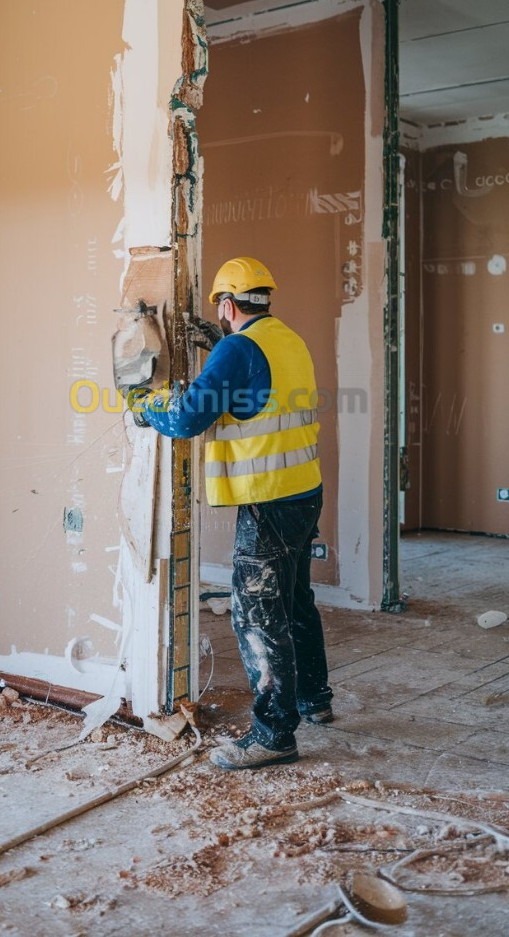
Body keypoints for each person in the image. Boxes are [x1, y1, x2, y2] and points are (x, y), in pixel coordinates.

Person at [131, 257, 333, 770]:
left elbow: (186, 417)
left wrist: (143, 404)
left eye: (220, 314)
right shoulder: (286, 339)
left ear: (227, 305)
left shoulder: (237, 349)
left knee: (258, 616)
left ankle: (273, 734)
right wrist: (216, 344)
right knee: (295, 601)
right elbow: (255, 385)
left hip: (268, 501)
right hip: (304, 491)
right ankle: (315, 699)